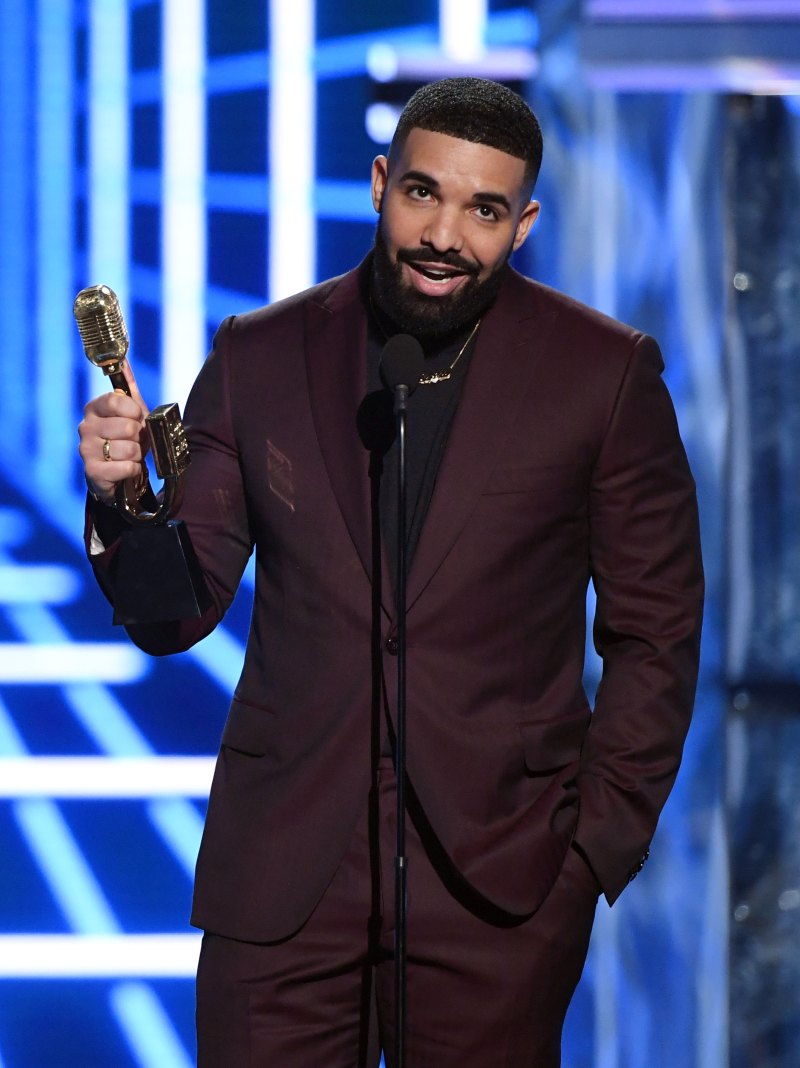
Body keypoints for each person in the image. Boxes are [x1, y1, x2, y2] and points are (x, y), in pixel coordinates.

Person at [78, 78, 704, 1067]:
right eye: (423, 193)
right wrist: (124, 499)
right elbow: (173, 614)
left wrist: (588, 854)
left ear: (523, 223)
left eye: (484, 210)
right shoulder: (259, 354)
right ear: (379, 184)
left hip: (501, 889)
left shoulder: (603, 374)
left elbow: (655, 633)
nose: (444, 235)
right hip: (283, 883)